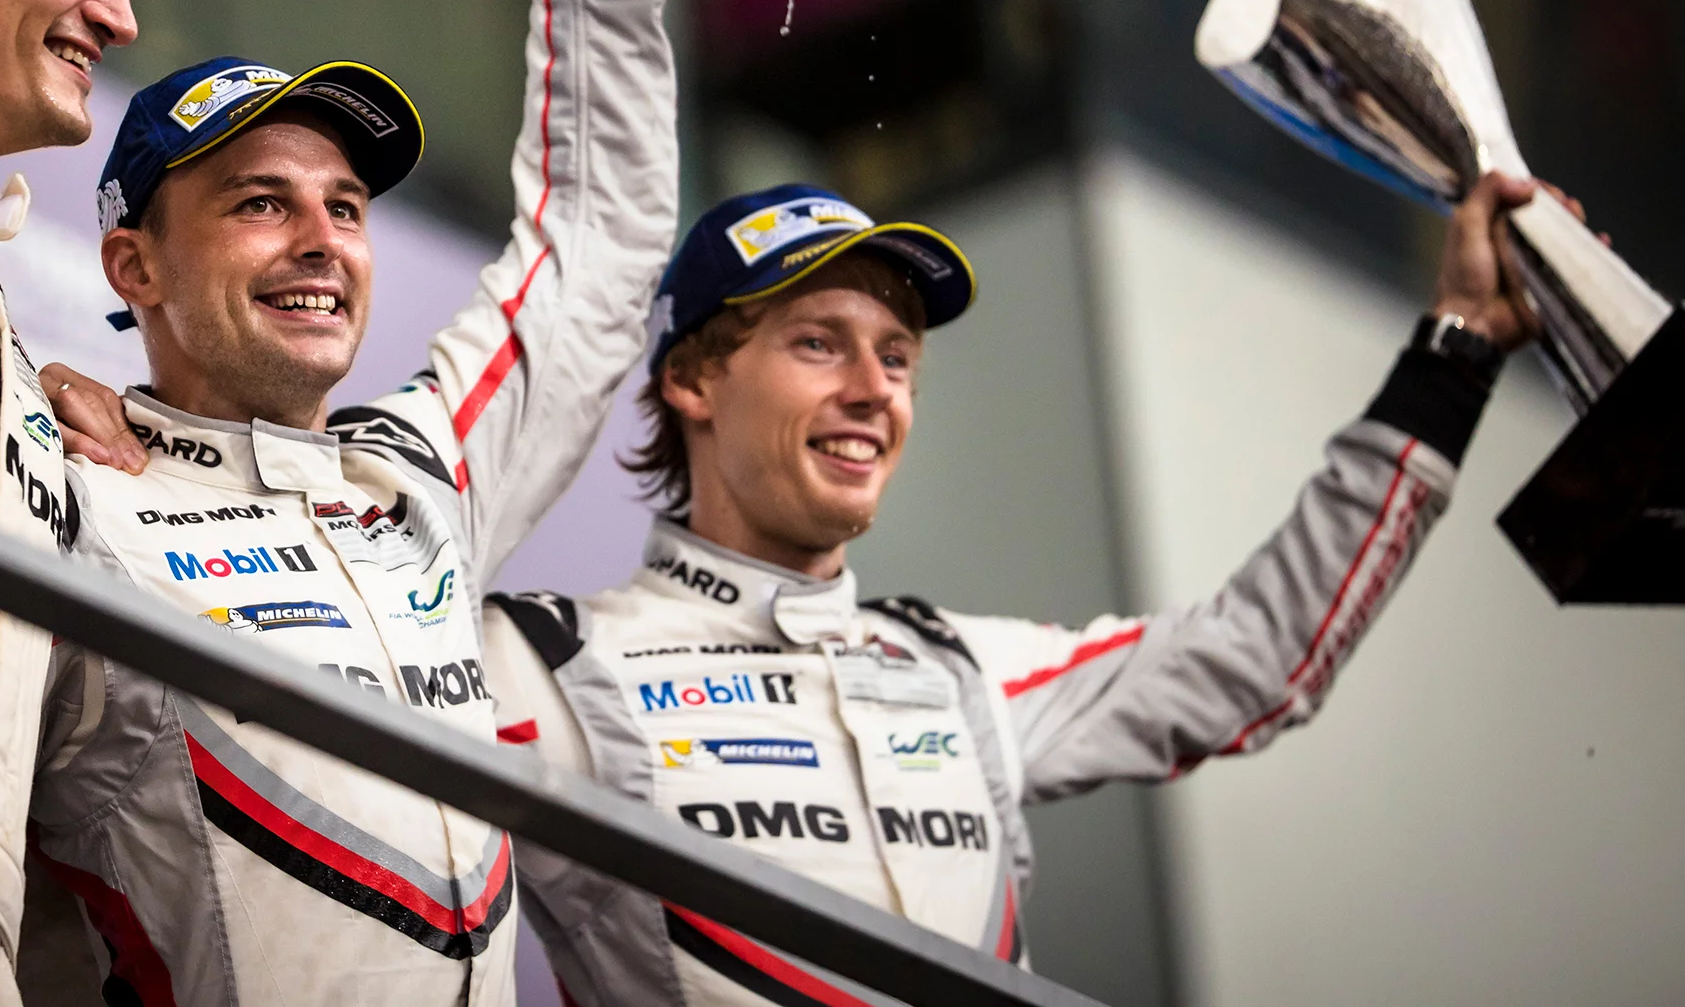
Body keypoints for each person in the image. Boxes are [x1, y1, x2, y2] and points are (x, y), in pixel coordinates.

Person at [484, 171, 1559, 1006]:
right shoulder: (544, 659)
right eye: (819, 342)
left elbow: (1261, 656)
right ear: (691, 377)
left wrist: (1454, 355)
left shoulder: (954, 667)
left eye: (896, 357)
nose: (871, 391)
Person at [23, 0, 678, 1006]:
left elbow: (599, 234)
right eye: (260, 202)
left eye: (344, 203)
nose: (322, 238)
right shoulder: (57, 489)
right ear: (133, 262)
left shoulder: (418, 473)